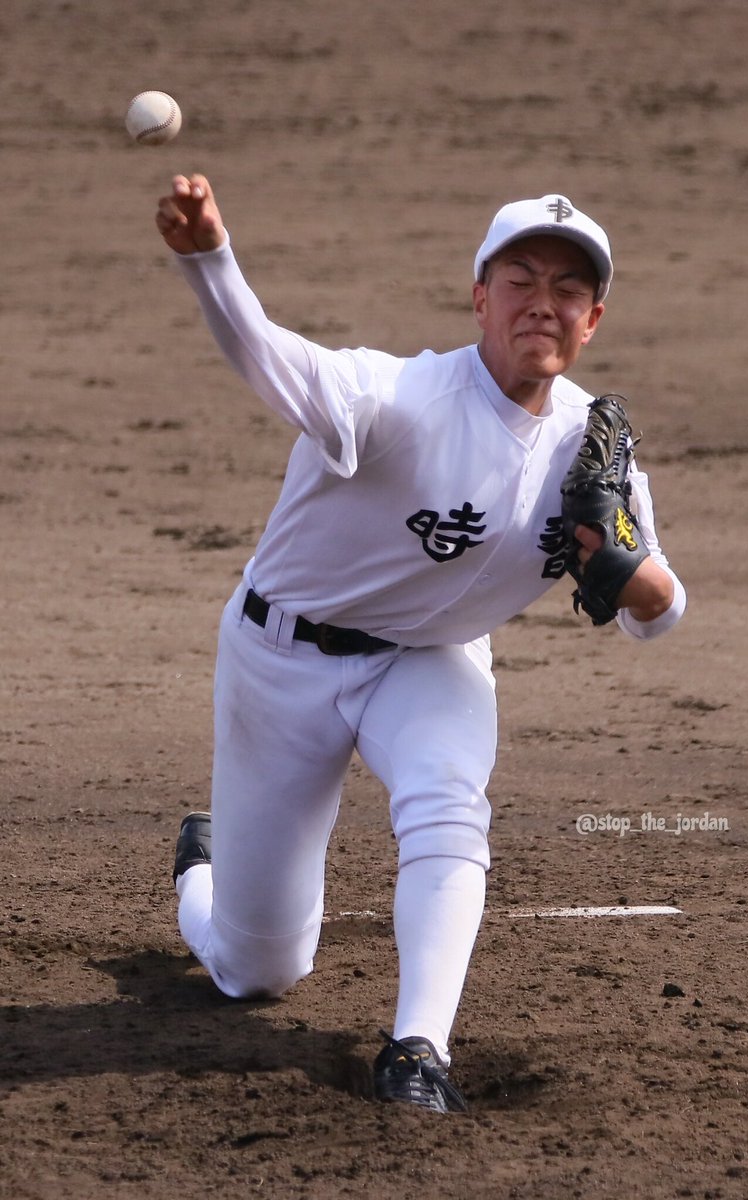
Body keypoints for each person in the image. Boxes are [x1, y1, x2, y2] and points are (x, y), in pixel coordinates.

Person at [156, 177, 686, 1114]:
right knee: (257, 971)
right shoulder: (393, 394)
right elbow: (268, 357)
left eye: (567, 289)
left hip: (430, 658)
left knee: (449, 803)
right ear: (480, 297)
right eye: (519, 278)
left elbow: (659, 612)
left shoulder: (590, 448)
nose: (542, 302)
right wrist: (209, 258)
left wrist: (620, 563)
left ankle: (417, 1050)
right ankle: (206, 864)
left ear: (592, 318)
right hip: (282, 660)